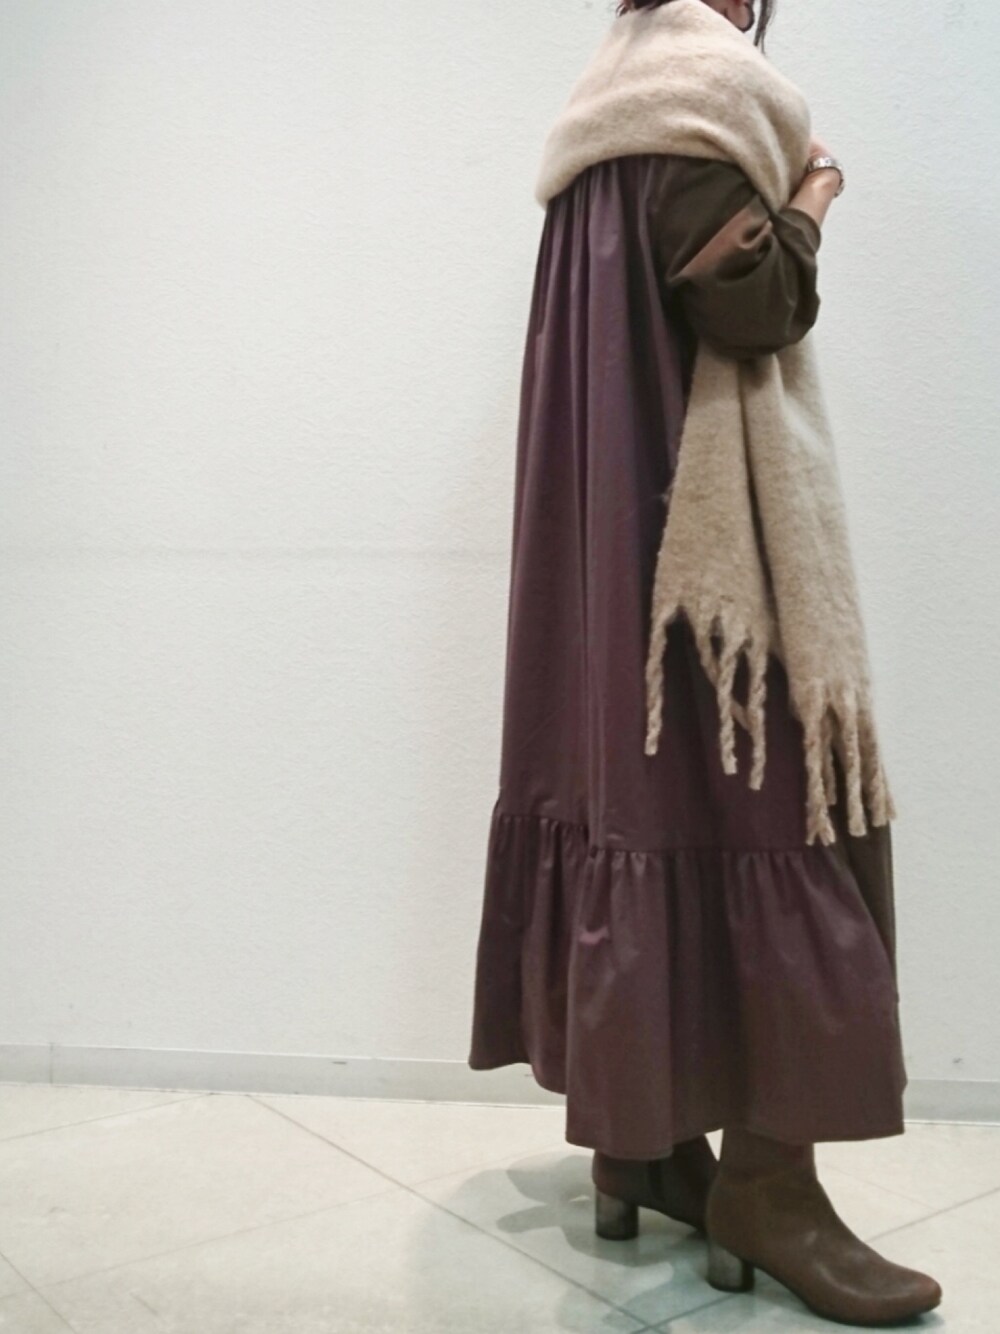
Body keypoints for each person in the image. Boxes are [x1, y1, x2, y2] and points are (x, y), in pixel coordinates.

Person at [467, 0, 942, 1324]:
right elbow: (752, 302)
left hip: (608, 538)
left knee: (645, 800)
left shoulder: (601, 103)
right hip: (706, 551)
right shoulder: (708, 93)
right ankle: (770, 1188)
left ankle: (645, 1148)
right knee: (782, 806)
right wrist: (814, 193)